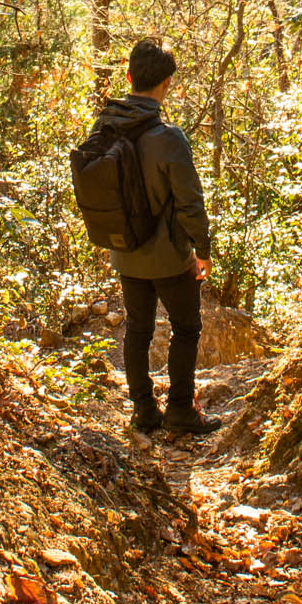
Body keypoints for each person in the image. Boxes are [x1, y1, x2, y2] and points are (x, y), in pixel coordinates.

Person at [92, 38, 221, 436]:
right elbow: (190, 203)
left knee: (137, 328)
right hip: (168, 256)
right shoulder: (169, 138)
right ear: (167, 84)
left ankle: (144, 411)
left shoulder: (104, 126)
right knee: (186, 327)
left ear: (128, 77)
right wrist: (203, 250)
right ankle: (181, 408)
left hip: (124, 250)